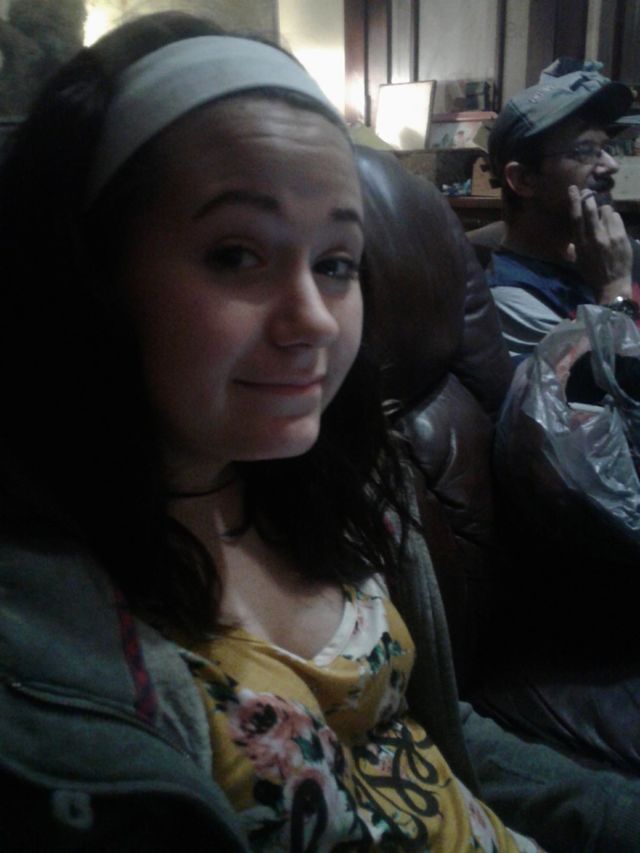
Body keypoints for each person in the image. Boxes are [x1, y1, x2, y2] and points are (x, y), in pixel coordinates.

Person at [1, 13, 640, 852]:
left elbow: (424, 737)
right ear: (89, 272)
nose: (314, 320)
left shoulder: (343, 488)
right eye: (236, 254)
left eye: (336, 262)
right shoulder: (50, 654)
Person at [486, 59, 639, 362]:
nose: (611, 165)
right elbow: (611, 386)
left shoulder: (606, 251)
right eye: (585, 151)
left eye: (605, 148)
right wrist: (614, 290)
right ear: (524, 179)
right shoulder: (511, 300)